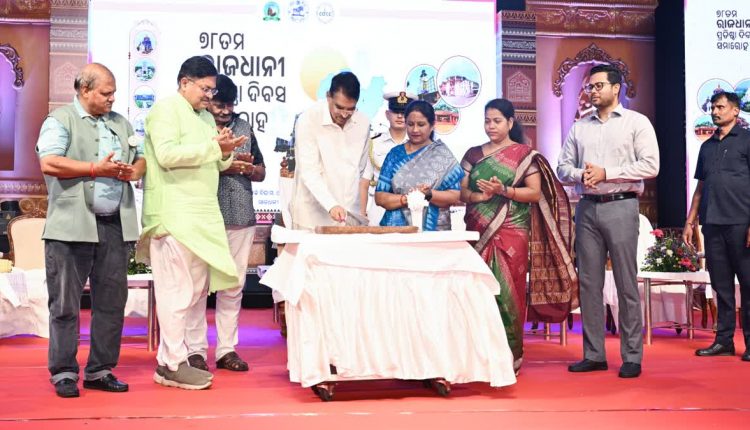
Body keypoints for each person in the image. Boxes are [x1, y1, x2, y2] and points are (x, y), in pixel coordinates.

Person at [36, 63, 145, 397]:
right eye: (106, 93)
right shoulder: (60, 120)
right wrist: (95, 169)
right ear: (84, 89)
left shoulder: (121, 122)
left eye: (114, 93)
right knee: (65, 304)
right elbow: (49, 162)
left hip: (114, 225)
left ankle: (100, 370)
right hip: (70, 227)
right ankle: (64, 372)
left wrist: (133, 171)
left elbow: (141, 158)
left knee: (112, 302)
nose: (112, 99)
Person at [138, 56, 245, 390]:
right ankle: (171, 364)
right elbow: (167, 155)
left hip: (202, 218)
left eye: (212, 90)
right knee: (176, 292)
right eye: (205, 89)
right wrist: (213, 147)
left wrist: (225, 150)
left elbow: (216, 161)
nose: (210, 96)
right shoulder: (165, 110)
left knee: (194, 293)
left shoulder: (204, 117)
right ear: (185, 82)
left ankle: (174, 359)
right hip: (174, 216)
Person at [460, 98, 577, 373]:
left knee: (508, 291)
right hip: (479, 230)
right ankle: (480, 355)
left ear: (510, 122)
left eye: (497, 121)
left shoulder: (524, 155)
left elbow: (534, 193)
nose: (491, 126)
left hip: (513, 231)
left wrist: (504, 191)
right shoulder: (473, 154)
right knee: (478, 291)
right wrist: (479, 196)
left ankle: (510, 355)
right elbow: (462, 192)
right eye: (487, 121)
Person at [558, 64, 659, 378]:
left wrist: (607, 173)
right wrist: (582, 175)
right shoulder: (580, 127)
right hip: (587, 208)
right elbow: (562, 167)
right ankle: (594, 354)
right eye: (590, 86)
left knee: (626, 282)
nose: (592, 91)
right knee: (589, 283)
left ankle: (632, 356)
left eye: (599, 85)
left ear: (616, 88)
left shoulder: (636, 122)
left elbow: (651, 165)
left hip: (621, 205)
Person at [183, 75, 266, 372]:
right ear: (209, 101)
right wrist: (227, 165)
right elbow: (190, 166)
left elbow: (262, 171)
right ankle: (194, 350)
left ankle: (227, 350)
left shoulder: (244, 127)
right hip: (203, 216)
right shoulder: (197, 126)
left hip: (240, 216)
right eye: (220, 104)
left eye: (230, 105)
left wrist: (248, 168)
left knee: (233, 285)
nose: (225, 111)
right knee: (197, 286)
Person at [683, 91, 750, 362]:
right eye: (713, 107)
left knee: (748, 285)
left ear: (735, 111)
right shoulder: (707, 146)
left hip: (741, 223)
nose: (715, 111)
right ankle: (723, 341)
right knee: (721, 286)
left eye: (721, 107)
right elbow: (700, 187)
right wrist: (690, 221)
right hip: (712, 224)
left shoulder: (747, 140)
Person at [290, 71, 370, 230]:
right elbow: (309, 171)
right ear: (328, 96)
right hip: (311, 218)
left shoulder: (363, 122)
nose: (344, 114)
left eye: (351, 109)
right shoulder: (308, 119)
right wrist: (331, 204)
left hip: (348, 216)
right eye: (339, 107)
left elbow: (359, 168)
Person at [374, 100, 463, 231]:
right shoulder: (395, 154)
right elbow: (380, 197)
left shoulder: (442, 155)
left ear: (432, 125)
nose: (415, 129)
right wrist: (408, 199)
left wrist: (429, 194)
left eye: (421, 124)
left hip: (434, 231)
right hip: (396, 231)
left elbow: (454, 196)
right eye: (410, 124)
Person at [358, 90, 416, 225]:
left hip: (410, 207)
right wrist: (361, 214)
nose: (400, 116)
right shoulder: (374, 143)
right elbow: (364, 183)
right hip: (379, 208)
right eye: (395, 111)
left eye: (404, 112)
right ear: (387, 114)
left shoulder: (418, 144)